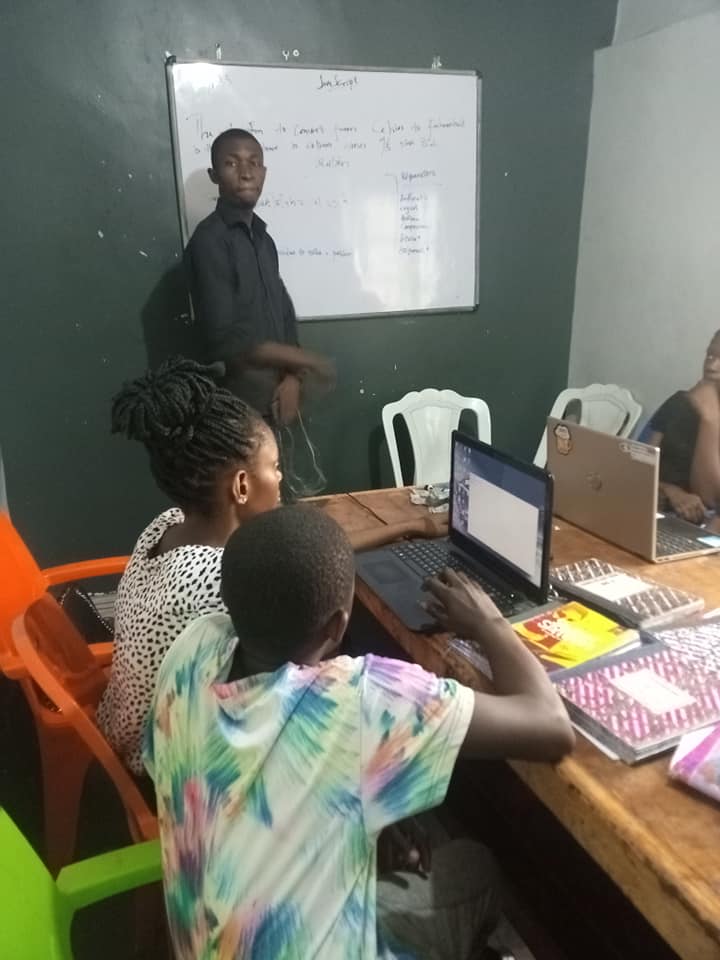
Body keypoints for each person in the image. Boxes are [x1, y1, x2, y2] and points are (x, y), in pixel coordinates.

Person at [144, 504, 574, 960]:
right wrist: (489, 622)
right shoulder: (360, 697)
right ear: (337, 626)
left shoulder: (193, 646)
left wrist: (361, 810)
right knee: (475, 866)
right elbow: (549, 725)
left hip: (200, 943)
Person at [98, 357, 445, 776]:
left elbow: (303, 551)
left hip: (126, 724)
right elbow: (298, 564)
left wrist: (407, 526)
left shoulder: (168, 524)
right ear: (242, 486)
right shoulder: (222, 577)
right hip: (164, 761)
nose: (280, 480)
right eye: (275, 467)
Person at [186, 127, 332, 426]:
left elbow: (284, 315)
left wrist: (292, 377)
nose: (246, 173)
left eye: (254, 163)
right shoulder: (209, 241)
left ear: (264, 172)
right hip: (235, 412)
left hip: (278, 403)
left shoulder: (265, 242)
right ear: (214, 175)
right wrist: (306, 361)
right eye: (231, 163)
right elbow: (225, 342)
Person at [646, 330, 720, 527]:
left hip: (695, 526)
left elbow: (711, 499)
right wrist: (670, 490)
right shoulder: (679, 402)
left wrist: (710, 419)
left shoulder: (711, 417)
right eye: (710, 355)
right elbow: (641, 464)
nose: (712, 366)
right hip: (654, 508)